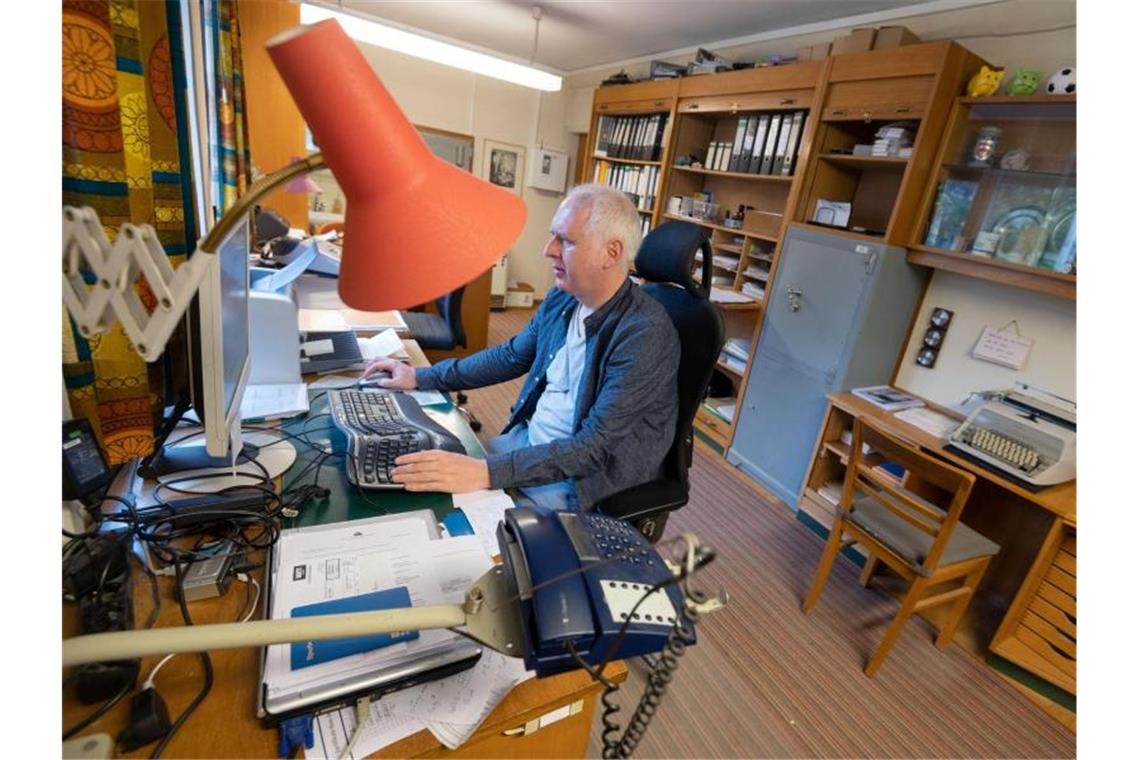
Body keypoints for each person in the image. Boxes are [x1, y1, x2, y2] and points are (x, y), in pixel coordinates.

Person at [363, 183, 681, 512]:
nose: (548, 249)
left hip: (583, 481)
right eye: (553, 236)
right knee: (420, 481)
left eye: (566, 241)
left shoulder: (645, 334)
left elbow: (593, 448)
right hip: (530, 445)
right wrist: (421, 376)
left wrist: (486, 472)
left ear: (611, 253)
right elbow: (510, 355)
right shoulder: (564, 298)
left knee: (447, 516)